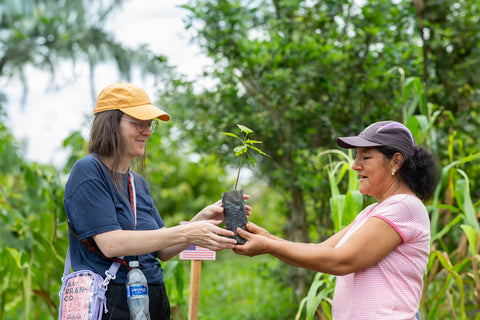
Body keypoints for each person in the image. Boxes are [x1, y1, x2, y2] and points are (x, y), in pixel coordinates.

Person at [64, 82, 250, 320]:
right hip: (111, 301)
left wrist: (202, 219)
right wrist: (187, 233)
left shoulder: (136, 181)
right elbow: (111, 244)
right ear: (111, 124)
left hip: (152, 299)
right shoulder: (89, 170)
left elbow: (161, 250)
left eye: (149, 124)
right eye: (138, 123)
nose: (148, 132)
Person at [233, 121, 437, 320]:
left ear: (396, 161)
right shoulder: (373, 211)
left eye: (365, 157)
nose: (355, 165)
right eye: (357, 157)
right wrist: (268, 239)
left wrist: (268, 246)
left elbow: (340, 260)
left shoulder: (404, 207)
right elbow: (322, 250)